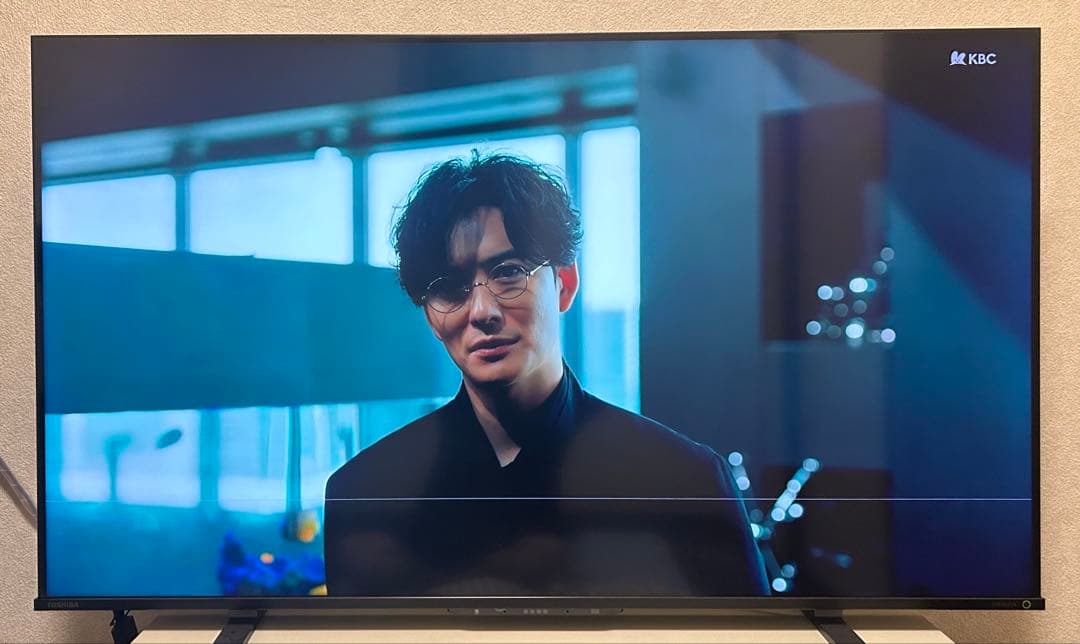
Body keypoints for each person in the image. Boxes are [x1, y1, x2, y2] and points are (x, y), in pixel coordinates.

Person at [323, 153, 767, 597]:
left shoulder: (684, 480)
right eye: (449, 288)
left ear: (564, 283)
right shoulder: (365, 493)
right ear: (430, 316)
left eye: (508, 273)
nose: (482, 311)